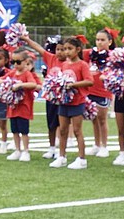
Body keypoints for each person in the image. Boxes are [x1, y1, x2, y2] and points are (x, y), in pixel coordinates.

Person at [49, 37, 93, 169]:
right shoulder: (64, 64)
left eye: (70, 49)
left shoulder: (82, 65)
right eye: (65, 49)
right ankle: (61, 157)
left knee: (77, 130)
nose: (67, 52)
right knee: (62, 130)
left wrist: (73, 84)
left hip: (77, 101)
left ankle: (82, 159)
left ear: (78, 50)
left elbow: (90, 81)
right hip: (64, 101)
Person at [24, 33, 66, 159]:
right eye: (58, 49)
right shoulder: (52, 58)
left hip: (64, 98)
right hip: (51, 98)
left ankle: (61, 150)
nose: (60, 52)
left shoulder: (70, 63)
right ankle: (51, 148)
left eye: (63, 49)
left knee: (62, 126)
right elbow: (39, 48)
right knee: (51, 125)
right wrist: (27, 39)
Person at [83, 28, 116, 158]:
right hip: (90, 90)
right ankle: (96, 144)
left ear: (109, 41)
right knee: (94, 119)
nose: (99, 42)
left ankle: (104, 146)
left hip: (103, 91)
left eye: (103, 40)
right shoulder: (90, 54)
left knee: (102, 119)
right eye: (97, 40)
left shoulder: (113, 56)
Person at [1, 49, 38, 162]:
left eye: (18, 62)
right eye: (13, 62)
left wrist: (20, 85)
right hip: (13, 107)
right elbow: (1, 79)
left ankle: (26, 151)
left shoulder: (27, 74)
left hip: (23, 107)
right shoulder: (12, 73)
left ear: (26, 62)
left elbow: (33, 84)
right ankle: (17, 150)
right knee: (14, 130)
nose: (15, 65)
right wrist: (1, 82)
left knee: (24, 130)